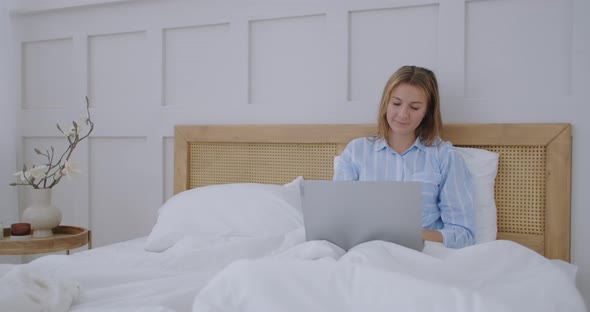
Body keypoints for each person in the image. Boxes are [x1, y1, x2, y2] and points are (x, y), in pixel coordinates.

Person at [333, 65, 475, 248]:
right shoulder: (356, 152)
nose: (402, 114)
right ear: (386, 103)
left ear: (427, 112)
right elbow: (338, 221)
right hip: (366, 254)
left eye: (415, 107)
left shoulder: (445, 156)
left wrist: (409, 235)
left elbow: (464, 234)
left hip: (422, 255)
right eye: (396, 104)